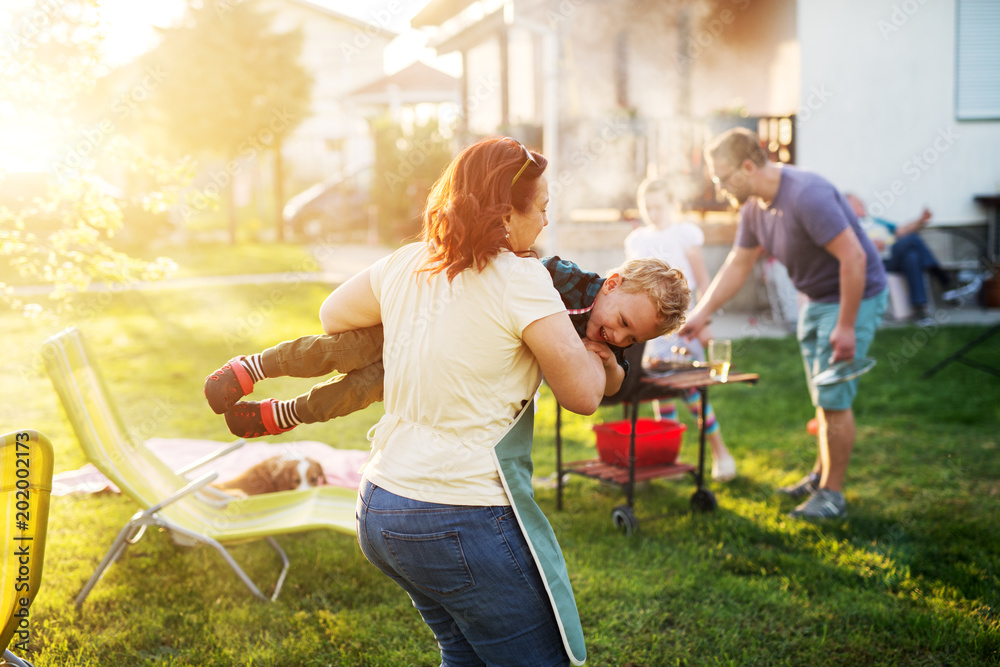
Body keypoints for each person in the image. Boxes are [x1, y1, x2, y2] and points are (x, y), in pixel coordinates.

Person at [223, 137, 689, 665]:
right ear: (506, 213)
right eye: (540, 210)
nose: (543, 224)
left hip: (382, 503)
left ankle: (266, 387)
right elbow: (583, 396)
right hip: (453, 514)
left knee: (463, 656)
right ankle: (278, 398)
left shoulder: (412, 259)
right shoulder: (527, 278)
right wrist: (596, 358)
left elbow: (334, 314)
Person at [205, 255, 690, 439]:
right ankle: (250, 367)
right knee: (332, 352)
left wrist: (608, 364)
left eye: (632, 339)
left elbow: (616, 382)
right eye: (623, 323)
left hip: (437, 359)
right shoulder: (560, 279)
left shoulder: (604, 340)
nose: (619, 337)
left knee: (357, 393)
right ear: (612, 282)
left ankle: (282, 415)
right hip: (418, 319)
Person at [679, 128, 888, 521]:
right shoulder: (755, 208)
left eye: (724, 177)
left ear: (747, 165)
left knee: (834, 396)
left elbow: (855, 259)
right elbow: (737, 265)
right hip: (817, 298)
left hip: (853, 297)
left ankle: (832, 495)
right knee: (822, 395)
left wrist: (846, 325)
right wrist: (701, 314)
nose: (721, 187)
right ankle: (821, 475)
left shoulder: (806, 194)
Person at [624, 176, 737, 482]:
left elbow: (701, 282)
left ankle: (720, 453)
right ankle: (669, 458)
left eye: (659, 207)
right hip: (653, 334)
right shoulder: (637, 241)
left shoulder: (685, 235)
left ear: (673, 205)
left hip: (683, 328)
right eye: (648, 207)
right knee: (661, 396)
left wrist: (704, 324)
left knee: (692, 394)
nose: (653, 213)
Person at [845, 193, 953, 325]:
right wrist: (868, 246)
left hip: (893, 257)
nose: (864, 206)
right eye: (859, 204)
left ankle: (919, 309)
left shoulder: (875, 221)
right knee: (912, 240)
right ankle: (943, 280)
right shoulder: (848, 226)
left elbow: (901, 230)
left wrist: (920, 220)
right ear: (847, 207)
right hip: (877, 264)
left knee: (912, 257)